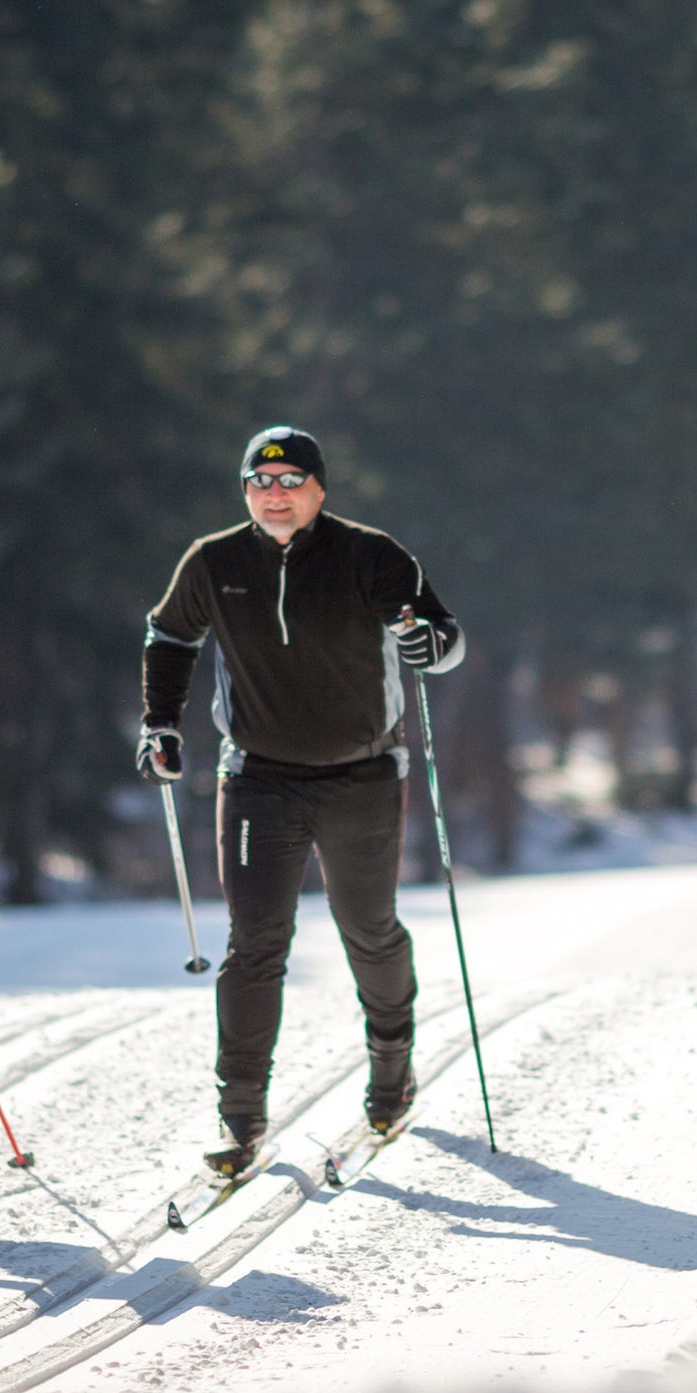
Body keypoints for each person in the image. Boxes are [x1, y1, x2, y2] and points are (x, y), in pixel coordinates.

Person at [138, 425, 464, 1175]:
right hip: (260, 778)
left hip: (363, 775)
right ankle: (240, 1118)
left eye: (290, 482)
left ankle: (392, 1068)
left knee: (368, 930)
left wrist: (430, 646)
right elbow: (170, 637)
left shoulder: (370, 554)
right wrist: (160, 723)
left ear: (319, 489)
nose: (274, 495)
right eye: (260, 482)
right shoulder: (214, 561)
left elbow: (440, 634)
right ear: (244, 491)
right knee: (255, 943)